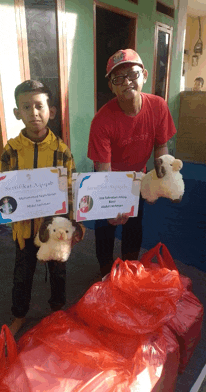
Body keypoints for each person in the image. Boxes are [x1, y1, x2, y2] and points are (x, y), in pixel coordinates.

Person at [0, 80, 85, 335]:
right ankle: (19, 315)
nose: (34, 113)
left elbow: (71, 190)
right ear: (17, 113)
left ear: (51, 111)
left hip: (56, 230)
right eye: (26, 107)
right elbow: (5, 193)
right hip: (24, 232)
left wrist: (75, 223)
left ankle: (58, 309)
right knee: (22, 275)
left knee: (58, 272)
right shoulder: (11, 151)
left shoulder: (61, 151)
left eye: (39, 106)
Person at [87, 49, 177, 277]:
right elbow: (103, 169)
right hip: (107, 175)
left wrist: (161, 179)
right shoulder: (102, 120)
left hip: (137, 176)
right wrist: (110, 203)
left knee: (134, 225)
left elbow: (160, 146)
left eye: (132, 74)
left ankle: (129, 269)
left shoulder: (158, 106)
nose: (126, 82)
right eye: (118, 78)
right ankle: (105, 271)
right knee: (106, 225)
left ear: (144, 75)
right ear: (112, 86)